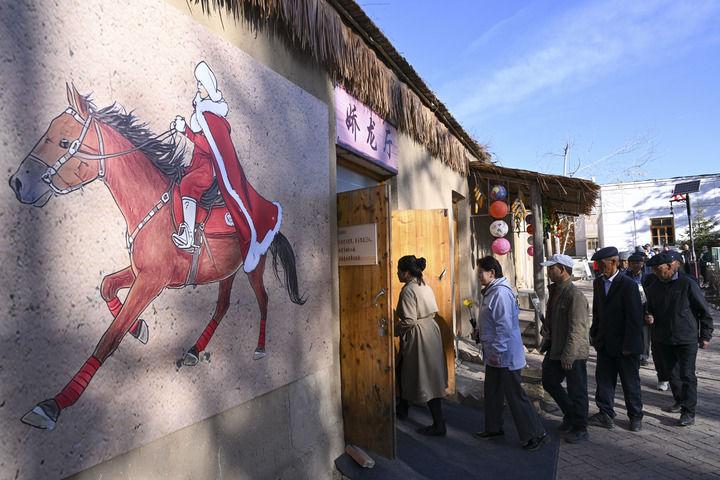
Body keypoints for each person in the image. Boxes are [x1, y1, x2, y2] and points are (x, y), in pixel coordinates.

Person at [171, 61, 282, 273]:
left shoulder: (209, 116)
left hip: (206, 170)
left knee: (187, 185)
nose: (198, 87)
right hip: (196, 165)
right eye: (198, 84)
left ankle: (188, 235)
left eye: (201, 84)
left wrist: (185, 131)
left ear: (208, 88)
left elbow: (209, 148)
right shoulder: (203, 113)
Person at [474, 256, 549, 450]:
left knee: (515, 395)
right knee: (492, 392)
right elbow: (492, 322)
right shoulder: (492, 291)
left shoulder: (500, 293)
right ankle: (493, 428)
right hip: (495, 354)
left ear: (492, 273)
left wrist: (497, 351)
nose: (478, 276)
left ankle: (536, 434)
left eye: (481, 272)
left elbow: (504, 327)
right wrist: (481, 332)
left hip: (504, 355)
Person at [645, 252, 714, 427]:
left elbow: (704, 311)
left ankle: (688, 412)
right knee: (672, 374)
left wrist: (705, 335)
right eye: (653, 270)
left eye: (658, 269)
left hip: (686, 337)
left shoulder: (687, 283)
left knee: (687, 374)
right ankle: (680, 400)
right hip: (663, 337)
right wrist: (649, 315)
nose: (655, 272)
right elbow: (649, 308)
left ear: (671, 266)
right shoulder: (654, 286)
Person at [588, 247, 644, 432]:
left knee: (630, 382)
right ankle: (605, 413)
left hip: (625, 344)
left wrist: (630, 345)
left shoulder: (628, 285)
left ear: (614, 262)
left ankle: (635, 415)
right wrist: (595, 334)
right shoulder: (598, 283)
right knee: (604, 380)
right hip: (605, 342)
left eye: (601, 264)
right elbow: (597, 311)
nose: (598, 268)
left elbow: (635, 318)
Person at [394, 255, 448, 436]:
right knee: (422, 373)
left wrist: (394, 330)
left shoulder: (408, 290)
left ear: (406, 273)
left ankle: (438, 424)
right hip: (430, 331)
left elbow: (409, 320)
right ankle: (403, 407)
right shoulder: (423, 285)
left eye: (399, 270)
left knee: (424, 377)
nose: (397, 273)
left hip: (419, 336)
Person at [540, 254, 591, 443]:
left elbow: (578, 328)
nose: (548, 272)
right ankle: (571, 414)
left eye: (551, 268)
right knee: (549, 381)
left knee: (577, 390)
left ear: (562, 269)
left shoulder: (574, 295)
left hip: (572, 351)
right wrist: (547, 329)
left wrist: (569, 355)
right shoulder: (555, 291)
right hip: (555, 347)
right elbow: (555, 320)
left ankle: (580, 427)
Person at [625, 252, 650, 366]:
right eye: (633, 263)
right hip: (630, 307)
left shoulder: (648, 277)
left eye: (638, 263)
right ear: (629, 264)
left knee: (645, 333)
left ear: (642, 264)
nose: (636, 265)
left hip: (644, 307)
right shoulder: (625, 277)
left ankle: (643, 356)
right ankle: (632, 352)